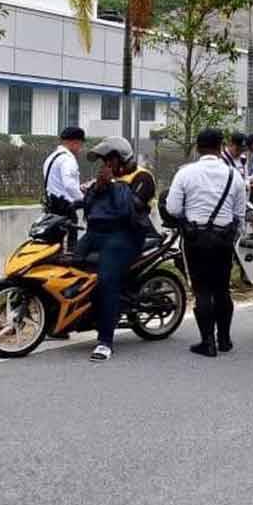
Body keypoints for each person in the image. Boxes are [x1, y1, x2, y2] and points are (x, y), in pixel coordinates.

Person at [166, 129, 246, 357]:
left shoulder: (185, 173)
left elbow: (172, 208)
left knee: (202, 289)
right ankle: (225, 340)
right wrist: (231, 237)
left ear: (197, 148)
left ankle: (207, 343)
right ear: (221, 146)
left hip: (195, 238)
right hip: (224, 239)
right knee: (222, 289)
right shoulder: (234, 175)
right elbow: (239, 214)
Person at [77, 137, 145, 363]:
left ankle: (105, 341)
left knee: (107, 280)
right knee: (70, 265)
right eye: (103, 161)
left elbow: (127, 212)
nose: (105, 165)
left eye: (109, 160)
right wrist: (97, 189)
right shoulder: (103, 182)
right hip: (95, 233)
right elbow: (87, 208)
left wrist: (113, 186)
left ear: (121, 160)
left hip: (123, 236)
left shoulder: (138, 178)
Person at [43, 127, 85, 243]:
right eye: (80, 144)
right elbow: (69, 185)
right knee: (69, 247)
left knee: (55, 242)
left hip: (51, 207)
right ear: (74, 142)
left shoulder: (51, 157)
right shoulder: (68, 159)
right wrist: (84, 199)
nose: (80, 148)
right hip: (64, 209)